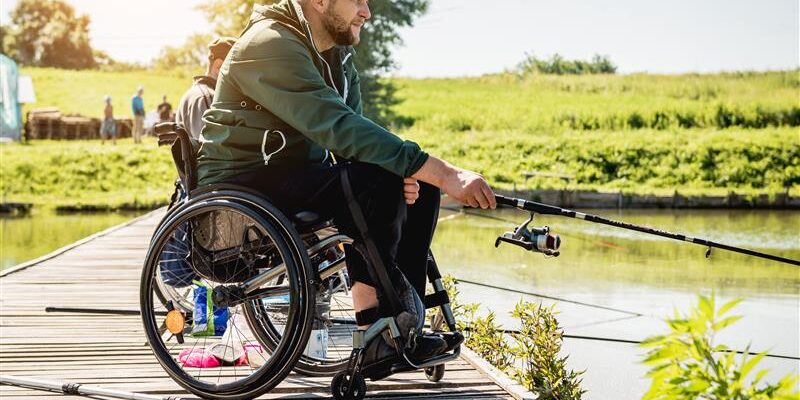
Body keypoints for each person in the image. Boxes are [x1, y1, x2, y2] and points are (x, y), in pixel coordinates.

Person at [197, 0, 496, 369]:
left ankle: (404, 328)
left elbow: (360, 141)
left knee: (415, 183)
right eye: (357, 0)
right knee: (389, 179)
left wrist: (413, 175)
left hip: (292, 176)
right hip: (243, 186)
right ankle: (374, 330)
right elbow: (339, 128)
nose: (367, 12)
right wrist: (447, 172)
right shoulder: (268, 43)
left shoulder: (336, 59)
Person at [175, 37, 236, 141]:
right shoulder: (207, 98)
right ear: (219, 66)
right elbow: (212, 148)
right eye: (236, 69)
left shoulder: (198, 94)